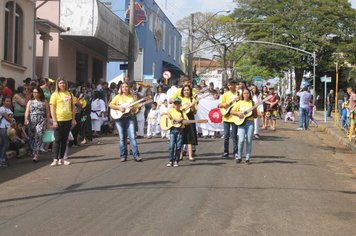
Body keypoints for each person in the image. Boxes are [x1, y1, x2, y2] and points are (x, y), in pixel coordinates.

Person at [109, 82, 142, 162]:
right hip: (119, 119)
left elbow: (137, 109)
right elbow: (110, 105)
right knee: (122, 138)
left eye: (126, 86)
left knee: (132, 137)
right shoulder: (118, 97)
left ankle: (136, 155)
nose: (125, 88)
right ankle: (123, 156)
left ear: (129, 88)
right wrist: (119, 107)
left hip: (129, 117)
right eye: (123, 86)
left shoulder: (133, 97)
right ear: (121, 88)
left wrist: (135, 109)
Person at [49, 79, 76, 167]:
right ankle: (55, 159)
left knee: (64, 140)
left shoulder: (70, 94)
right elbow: (52, 108)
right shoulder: (54, 94)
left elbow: (73, 108)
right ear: (57, 84)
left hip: (68, 119)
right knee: (57, 140)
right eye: (60, 83)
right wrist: (54, 120)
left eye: (63, 83)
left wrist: (73, 119)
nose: (62, 84)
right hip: (58, 119)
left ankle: (62, 159)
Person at [230, 88, 257, 164]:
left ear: (250, 94)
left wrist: (254, 109)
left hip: (250, 123)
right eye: (244, 93)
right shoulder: (239, 102)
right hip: (241, 123)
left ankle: (247, 158)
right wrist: (238, 113)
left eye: (247, 93)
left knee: (249, 140)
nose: (246, 94)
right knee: (241, 140)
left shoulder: (252, 103)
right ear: (242, 94)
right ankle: (239, 156)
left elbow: (255, 116)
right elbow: (231, 111)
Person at [24, 86, 51, 162]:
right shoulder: (30, 101)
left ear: (40, 93)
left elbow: (48, 113)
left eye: (36, 92)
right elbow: (27, 111)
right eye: (34, 92)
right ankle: (34, 151)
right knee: (32, 136)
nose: (35, 94)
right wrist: (25, 119)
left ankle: (36, 154)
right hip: (31, 120)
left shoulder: (44, 101)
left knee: (38, 135)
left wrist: (48, 122)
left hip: (41, 119)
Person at [218, 79, 240, 158]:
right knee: (226, 135)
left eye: (231, 84)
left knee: (234, 135)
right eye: (229, 85)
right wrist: (226, 104)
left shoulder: (239, 94)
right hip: (226, 117)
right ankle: (226, 151)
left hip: (235, 117)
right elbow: (219, 105)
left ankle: (236, 152)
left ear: (235, 85)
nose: (230, 86)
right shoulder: (225, 94)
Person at [166, 98, 187, 167]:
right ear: (173, 104)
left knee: (178, 146)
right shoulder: (171, 110)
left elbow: (187, 121)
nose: (177, 105)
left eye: (178, 103)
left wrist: (182, 119)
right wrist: (169, 117)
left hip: (180, 130)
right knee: (171, 146)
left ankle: (176, 160)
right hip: (172, 130)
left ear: (180, 104)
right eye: (175, 103)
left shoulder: (182, 112)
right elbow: (166, 115)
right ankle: (170, 160)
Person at [180, 85, 198, 161]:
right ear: (182, 91)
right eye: (185, 90)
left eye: (188, 90)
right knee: (181, 137)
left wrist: (192, 106)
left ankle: (190, 155)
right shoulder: (180, 99)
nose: (186, 91)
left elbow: (195, 112)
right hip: (181, 119)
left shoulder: (192, 99)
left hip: (190, 118)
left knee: (189, 137)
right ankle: (180, 155)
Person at [0, 97, 14, 167]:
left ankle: (3, 159)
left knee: (4, 144)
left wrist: (13, 121)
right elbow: (7, 118)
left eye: (9, 101)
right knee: (6, 144)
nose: (8, 102)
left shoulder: (9, 109)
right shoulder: (2, 109)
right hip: (3, 128)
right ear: (3, 102)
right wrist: (13, 121)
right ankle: (1, 159)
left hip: (9, 128)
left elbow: (12, 119)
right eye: (7, 101)